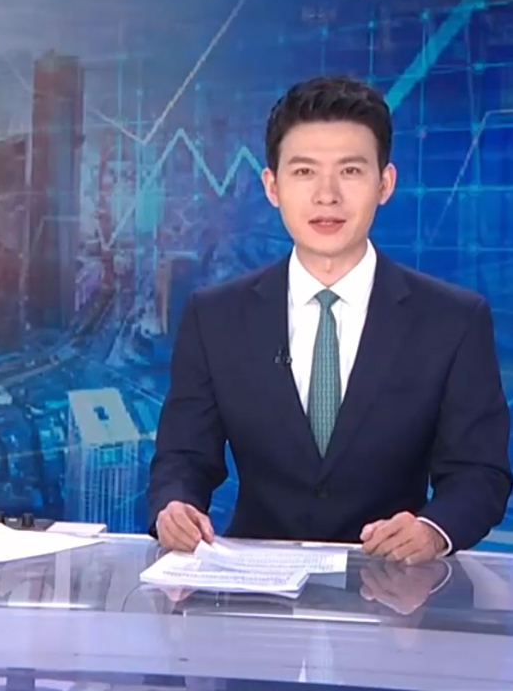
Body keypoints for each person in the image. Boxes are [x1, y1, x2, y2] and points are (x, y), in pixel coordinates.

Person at [148, 75, 512, 564]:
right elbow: (183, 458)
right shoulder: (215, 318)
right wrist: (174, 507)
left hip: (392, 588)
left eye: (350, 171)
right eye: (304, 172)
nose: (327, 195)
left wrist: (432, 529)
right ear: (272, 186)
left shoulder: (453, 321)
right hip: (256, 588)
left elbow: (479, 473)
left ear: (385, 184)